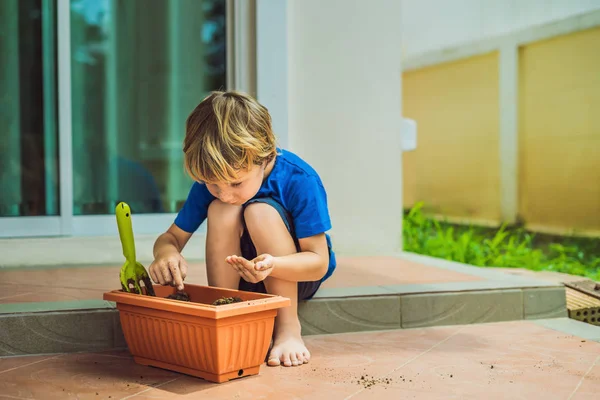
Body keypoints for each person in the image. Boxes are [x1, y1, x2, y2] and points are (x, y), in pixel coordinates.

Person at [148, 90, 336, 368]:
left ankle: (287, 329)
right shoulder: (216, 180)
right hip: (244, 277)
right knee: (221, 210)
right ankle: (224, 311)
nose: (224, 192)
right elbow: (171, 238)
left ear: (266, 155)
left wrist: (275, 265)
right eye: (213, 184)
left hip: (293, 275)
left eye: (236, 184)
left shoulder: (299, 179)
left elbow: (318, 262)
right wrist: (166, 254)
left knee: (260, 212)